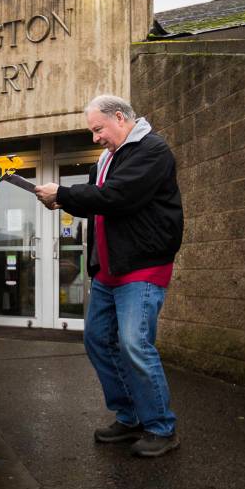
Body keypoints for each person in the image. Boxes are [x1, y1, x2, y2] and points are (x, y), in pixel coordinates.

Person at [34, 95, 183, 458]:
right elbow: (98, 203)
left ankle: (161, 427)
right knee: (98, 341)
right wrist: (63, 201)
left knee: (134, 344)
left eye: (98, 129)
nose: (95, 138)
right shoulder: (105, 159)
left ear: (120, 117)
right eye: (92, 131)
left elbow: (117, 197)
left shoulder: (152, 150)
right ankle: (130, 416)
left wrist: (65, 193)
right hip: (109, 270)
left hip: (142, 267)